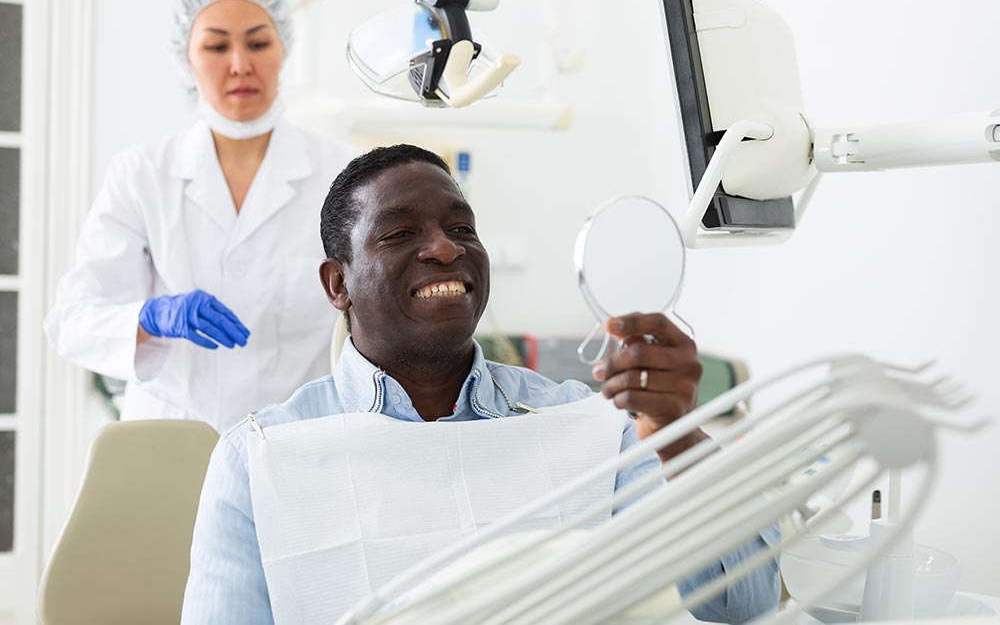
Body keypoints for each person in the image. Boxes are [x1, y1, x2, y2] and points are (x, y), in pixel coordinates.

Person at [181, 144, 781, 624]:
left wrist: (677, 437)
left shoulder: (592, 430)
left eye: (461, 228)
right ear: (337, 284)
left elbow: (741, 602)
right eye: (399, 234)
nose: (444, 248)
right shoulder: (261, 459)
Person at [44, 0, 356, 431]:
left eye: (257, 42)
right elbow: (71, 321)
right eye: (215, 45)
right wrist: (151, 317)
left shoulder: (344, 174)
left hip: (297, 444)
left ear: (283, 47)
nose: (239, 64)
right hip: (173, 447)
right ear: (185, 56)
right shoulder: (143, 175)